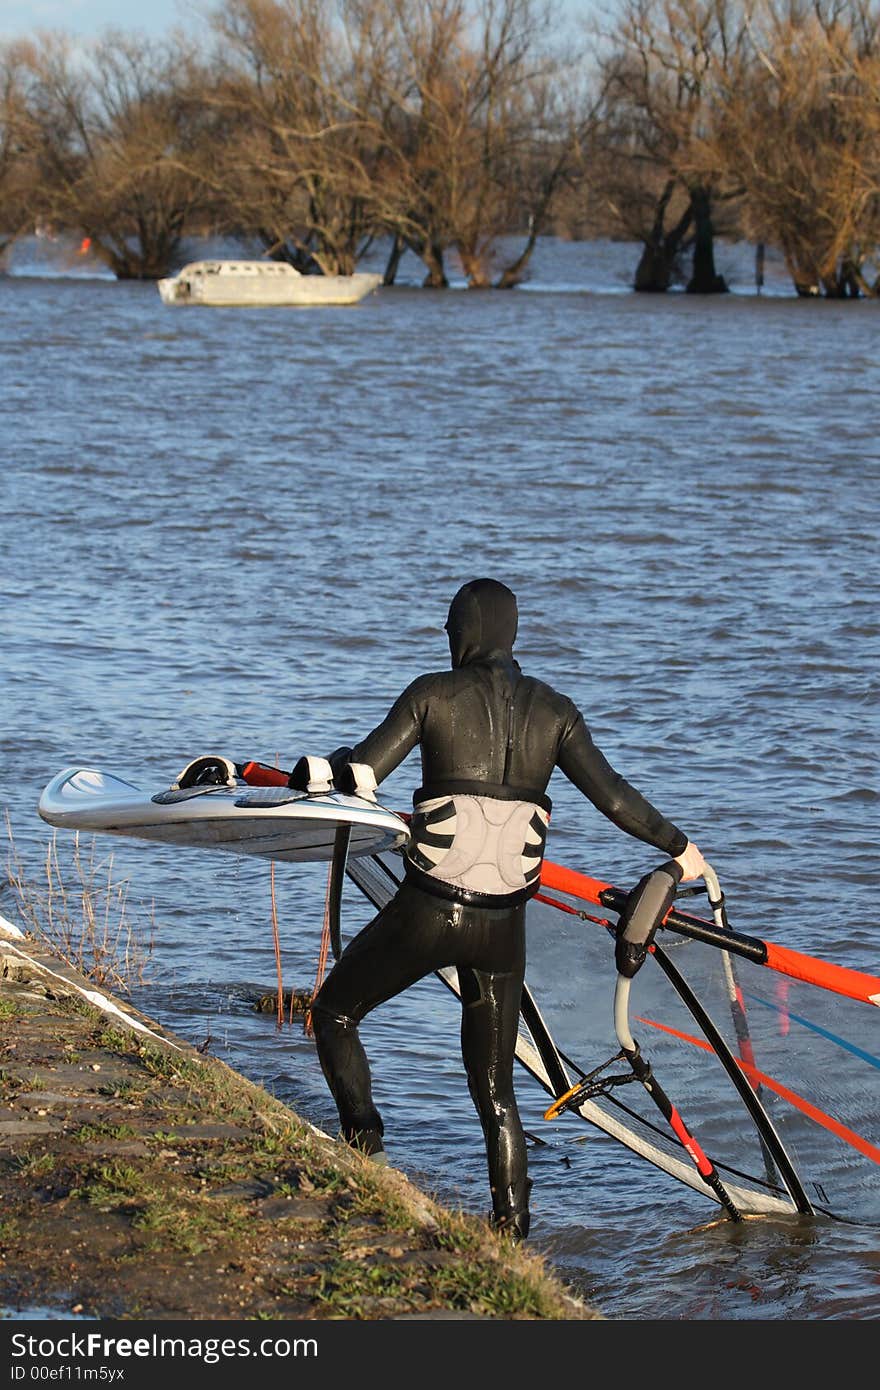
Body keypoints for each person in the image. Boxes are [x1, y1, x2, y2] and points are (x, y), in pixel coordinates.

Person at [294, 578, 706, 1243]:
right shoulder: (558, 711)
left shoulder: (432, 693)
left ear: (466, 633)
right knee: (495, 1091)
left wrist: (326, 766)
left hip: (430, 909)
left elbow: (364, 774)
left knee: (335, 1013)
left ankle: (365, 1150)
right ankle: (511, 1233)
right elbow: (617, 799)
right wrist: (684, 850)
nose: (451, 640)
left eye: (452, 629)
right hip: (503, 929)